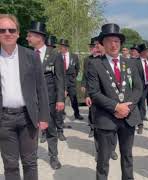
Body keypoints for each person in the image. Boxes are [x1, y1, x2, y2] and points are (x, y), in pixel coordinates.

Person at [87, 23, 142, 180]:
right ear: (102, 44)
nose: (113, 44)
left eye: (117, 41)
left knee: (127, 158)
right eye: (109, 41)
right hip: (106, 119)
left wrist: (127, 108)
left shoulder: (131, 63)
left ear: (121, 43)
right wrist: (116, 107)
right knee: (103, 160)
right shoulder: (94, 64)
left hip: (128, 118)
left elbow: (138, 89)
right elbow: (94, 93)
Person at [0, 14, 49, 180]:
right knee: (10, 164)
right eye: (2, 30)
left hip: (28, 117)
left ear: (18, 33)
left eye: (11, 30)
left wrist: (43, 117)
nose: (7, 33)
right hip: (3, 119)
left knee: (30, 162)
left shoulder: (31, 56)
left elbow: (41, 88)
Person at [26, 21, 65, 169]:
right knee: (31, 129)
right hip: (31, 100)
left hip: (49, 99)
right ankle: (32, 155)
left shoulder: (54, 54)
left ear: (39, 37)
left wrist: (60, 99)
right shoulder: (27, 54)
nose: (27, 38)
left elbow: (60, 78)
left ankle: (53, 157)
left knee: (50, 129)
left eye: (30, 36)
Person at [82, 36, 118, 160]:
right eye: (95, 46)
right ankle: (99, 150)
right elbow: (86, 77)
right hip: (96, 98)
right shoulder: (89, 60)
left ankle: (112, 149)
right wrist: (87, 95)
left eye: (98, 45)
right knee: (98, 126)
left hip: (113, 99)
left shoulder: (114, 60)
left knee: (114, 125)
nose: (95, 48)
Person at [58, 39, 84, 122]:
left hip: (71, 81)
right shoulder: (57, 56)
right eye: (60, 46)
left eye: (62, 46)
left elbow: (77, 68)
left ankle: (77, 114)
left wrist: (72, 78)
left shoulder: (74, 56)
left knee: (74, 98)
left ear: (66, 48)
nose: (61, 48)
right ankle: (61, 114)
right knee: (61, 98)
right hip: (61, 80)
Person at [136, 42, 148, 134]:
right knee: (141, 106)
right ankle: (140, 124)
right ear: (143, 52)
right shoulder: (136, 62)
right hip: (141, 87)